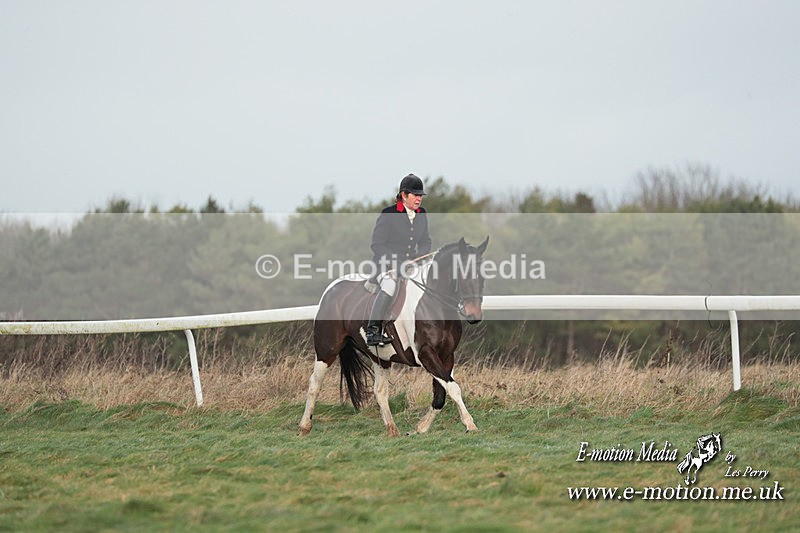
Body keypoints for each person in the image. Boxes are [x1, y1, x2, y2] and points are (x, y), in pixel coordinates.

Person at [366, 173, 432, 346]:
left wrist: (416, 258)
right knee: (389, 285)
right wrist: (397, 263)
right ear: (404, 195)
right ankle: (373, 331)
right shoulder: (388, 214)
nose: (419, 199)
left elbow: (426, 242)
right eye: (415, 195)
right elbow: (377, 245)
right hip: (386, 266)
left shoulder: (422, 214)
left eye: (420, 195)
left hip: (411, 266)